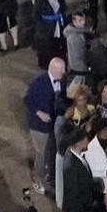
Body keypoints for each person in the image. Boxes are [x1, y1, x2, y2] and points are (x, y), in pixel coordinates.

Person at [22, 56, 67, 194]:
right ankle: (37, 178)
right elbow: (27, 100)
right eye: (61, 70)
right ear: (53, 70)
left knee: (52, 150)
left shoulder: (62, 80)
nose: (64, 72)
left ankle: (50, 173)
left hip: (54, 123)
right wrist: (39, 113)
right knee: (41, 153)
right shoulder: (38, 83)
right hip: (39, 126)